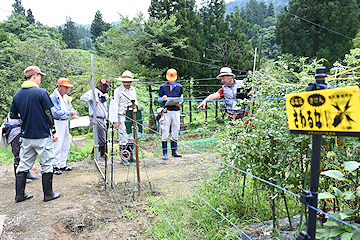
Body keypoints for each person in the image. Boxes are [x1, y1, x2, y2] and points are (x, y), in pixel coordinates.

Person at [10, 66, 60, 202]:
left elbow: (13, 116)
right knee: (47, 164)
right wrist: (53, 131)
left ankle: (19, 195)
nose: (40, 80)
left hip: (26, 136)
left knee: (23, 164)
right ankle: (48, 194)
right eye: (40, 77)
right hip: (42, 136)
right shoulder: (41, 93)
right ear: (34, 76)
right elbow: (48, 114)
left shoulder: (17, 95)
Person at [50, 78, 78, 175]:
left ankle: (62, 164)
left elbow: (69, 106)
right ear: (59, 87)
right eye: (65, 87)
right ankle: (55, 165)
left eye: (68, 87)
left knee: (66, 143)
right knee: (57, 144)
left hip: (65, 121)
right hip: (57, 122)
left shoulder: (65, 96)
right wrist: (70, 113)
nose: (67, 89)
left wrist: (73, 114)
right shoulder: (53, 97)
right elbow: (55, 112)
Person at [110, 70, 139, 166]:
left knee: (131, 135)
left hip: (131, 115)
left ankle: (130, 156)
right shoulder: (117, 91)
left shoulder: (133, 90)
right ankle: (124, 158)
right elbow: (115, 106)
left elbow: (136, 102)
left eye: (129, 82)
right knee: (123, 136)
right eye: (125, 81)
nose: (127, 83)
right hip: (121, 115)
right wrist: (115, 120)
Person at [80, 78, 109, 159]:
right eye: (103, 86)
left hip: (103, 119)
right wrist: (92, 98)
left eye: (105, 86)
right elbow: (82, 98)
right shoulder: (93, 92)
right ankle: (94, 155)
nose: (104, 88)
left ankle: (102, 155)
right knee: (102, 139)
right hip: (96, 118)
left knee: (103, 139)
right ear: (99, 86)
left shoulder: (104, 95)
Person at [158, 68, 183, 160]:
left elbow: (182, 98)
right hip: (166, 111)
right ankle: (165, 153)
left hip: (176, 110)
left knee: (175, 129)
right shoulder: (163, 87)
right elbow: (159, 99)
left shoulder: (179, 87)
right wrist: (163, 98)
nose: (171, 80)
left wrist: (180, 102)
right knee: (165, 130)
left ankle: (174, 151)